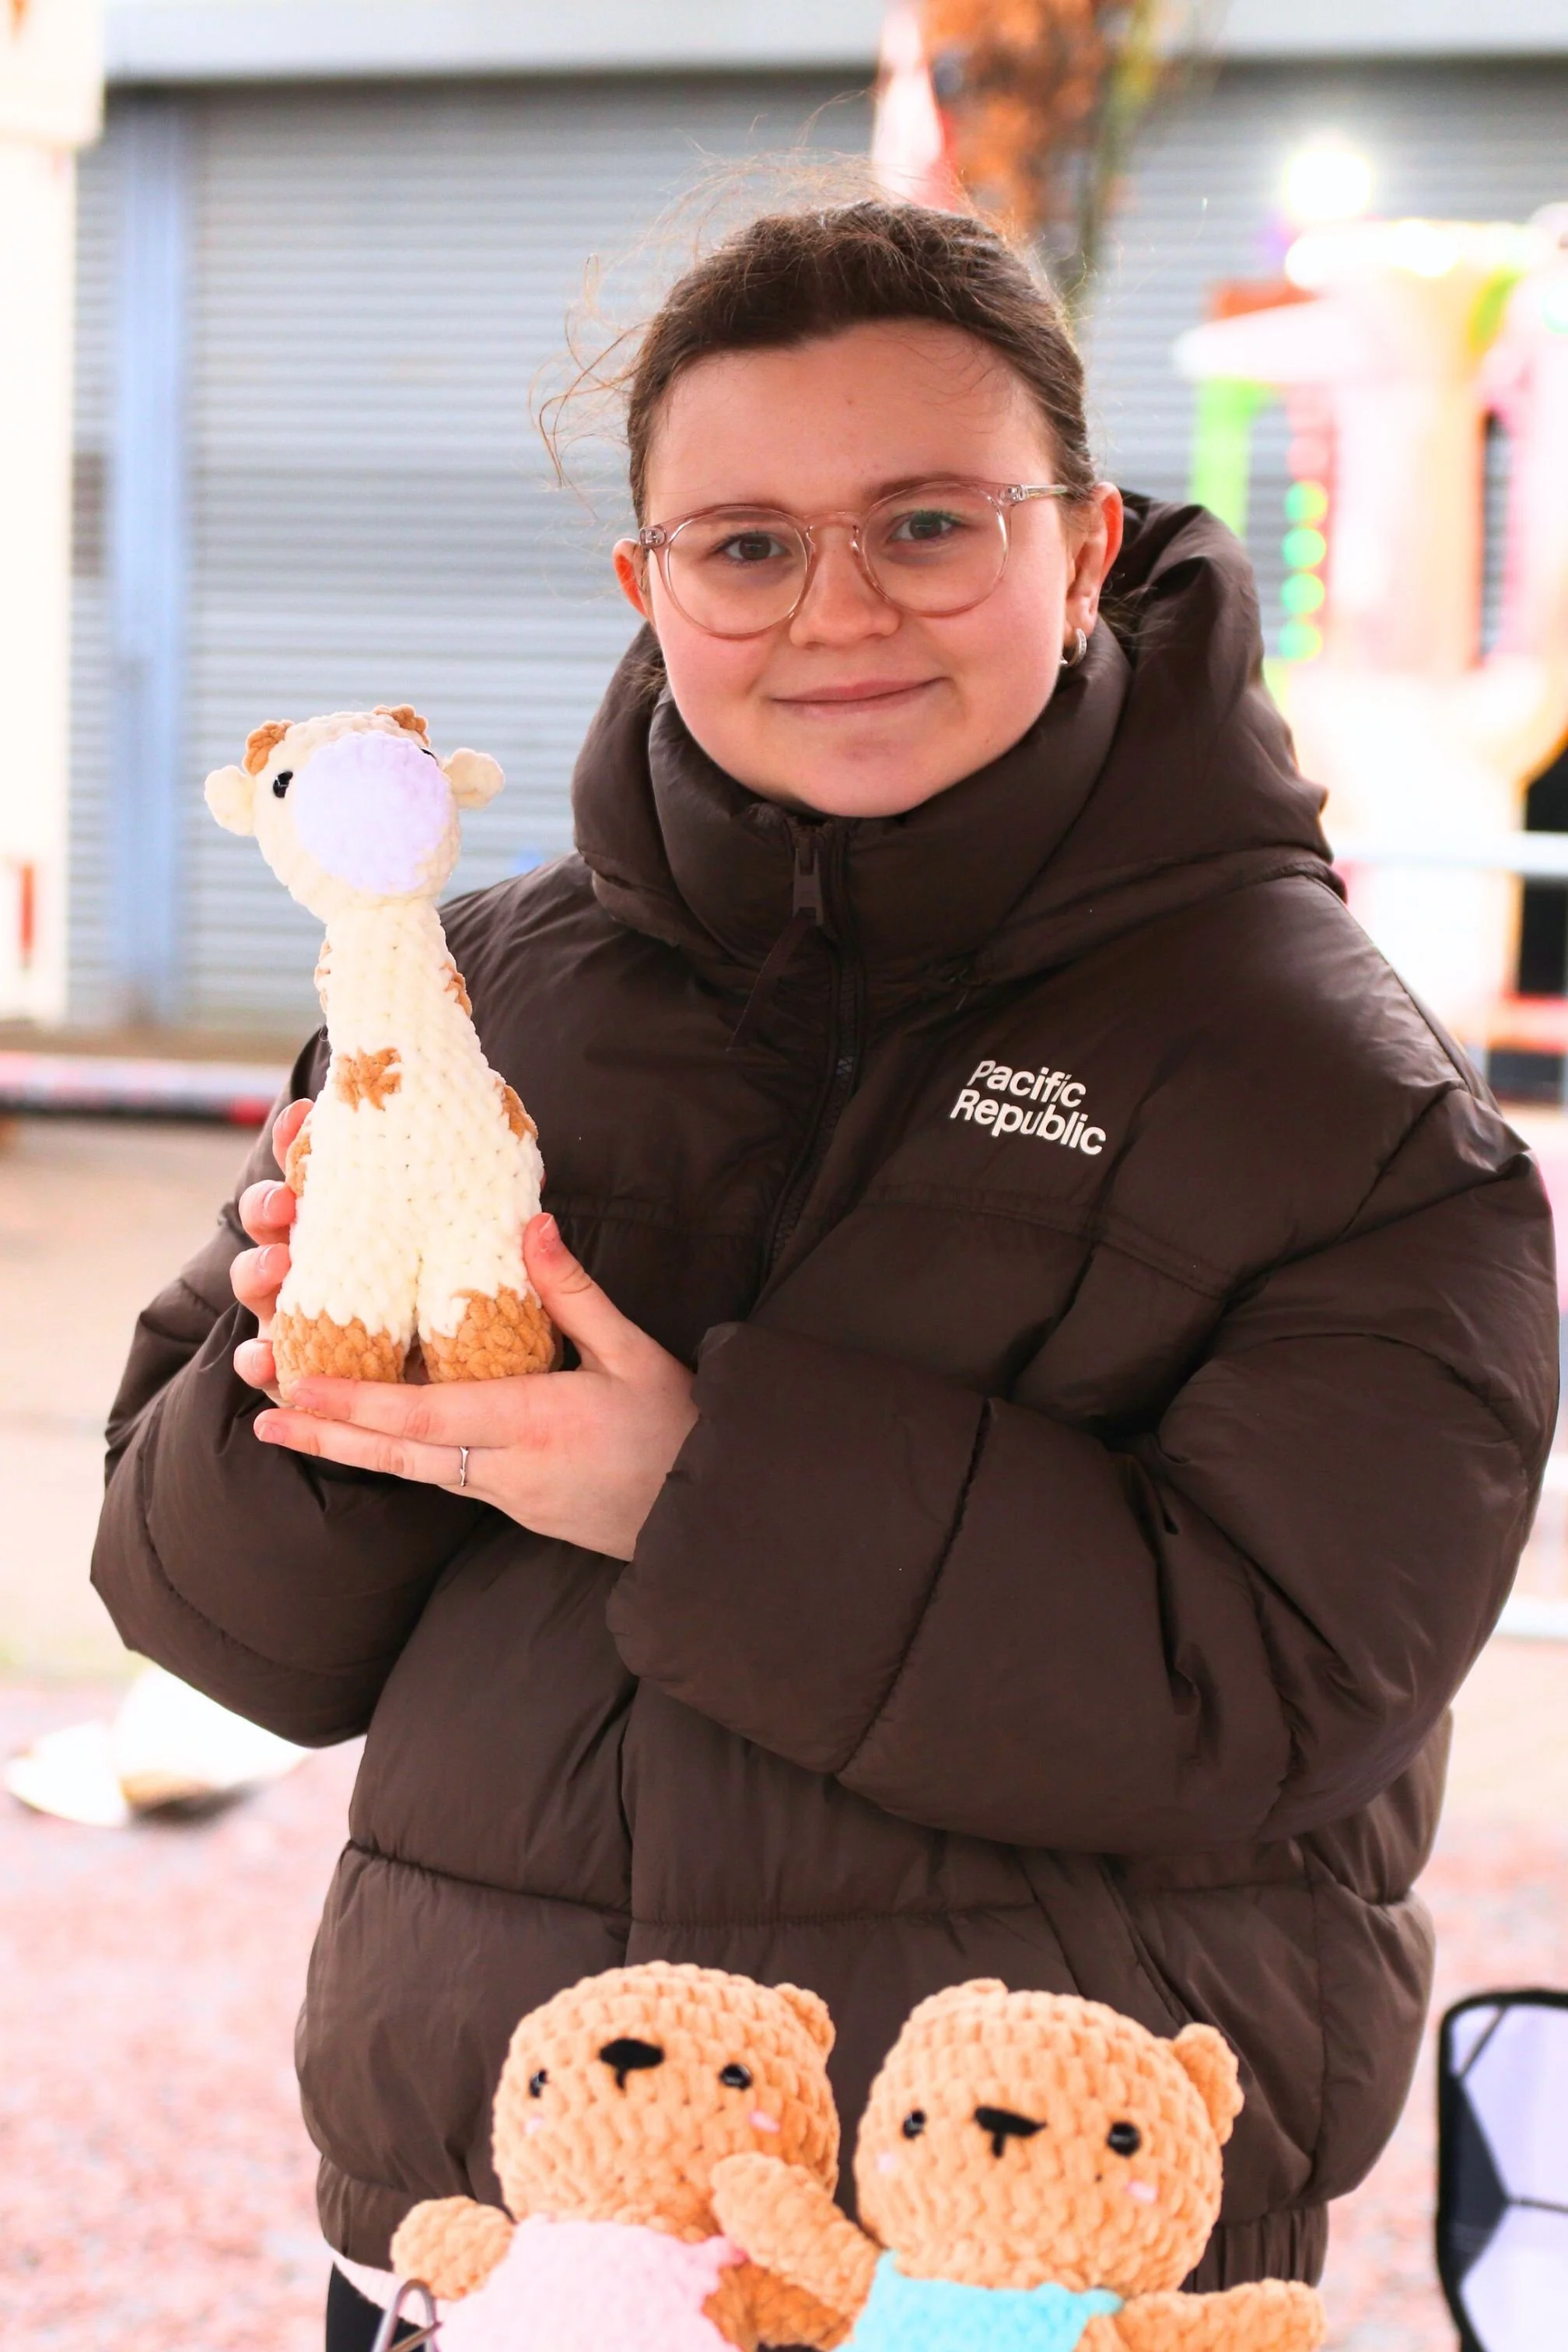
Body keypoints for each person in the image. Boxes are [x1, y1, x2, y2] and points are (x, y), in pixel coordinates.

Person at [93, 200, 1557, 2352]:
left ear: (1080, 544)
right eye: (748, 544)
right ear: (648, 585)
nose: (838, 611)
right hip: (512, 2239)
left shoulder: (1334, 1091)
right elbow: (218, 1627)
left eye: (927, 525)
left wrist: (697, 1491)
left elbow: (1281, 1684)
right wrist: (309, 1371)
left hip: (1021, 2268)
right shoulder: (473, 998)